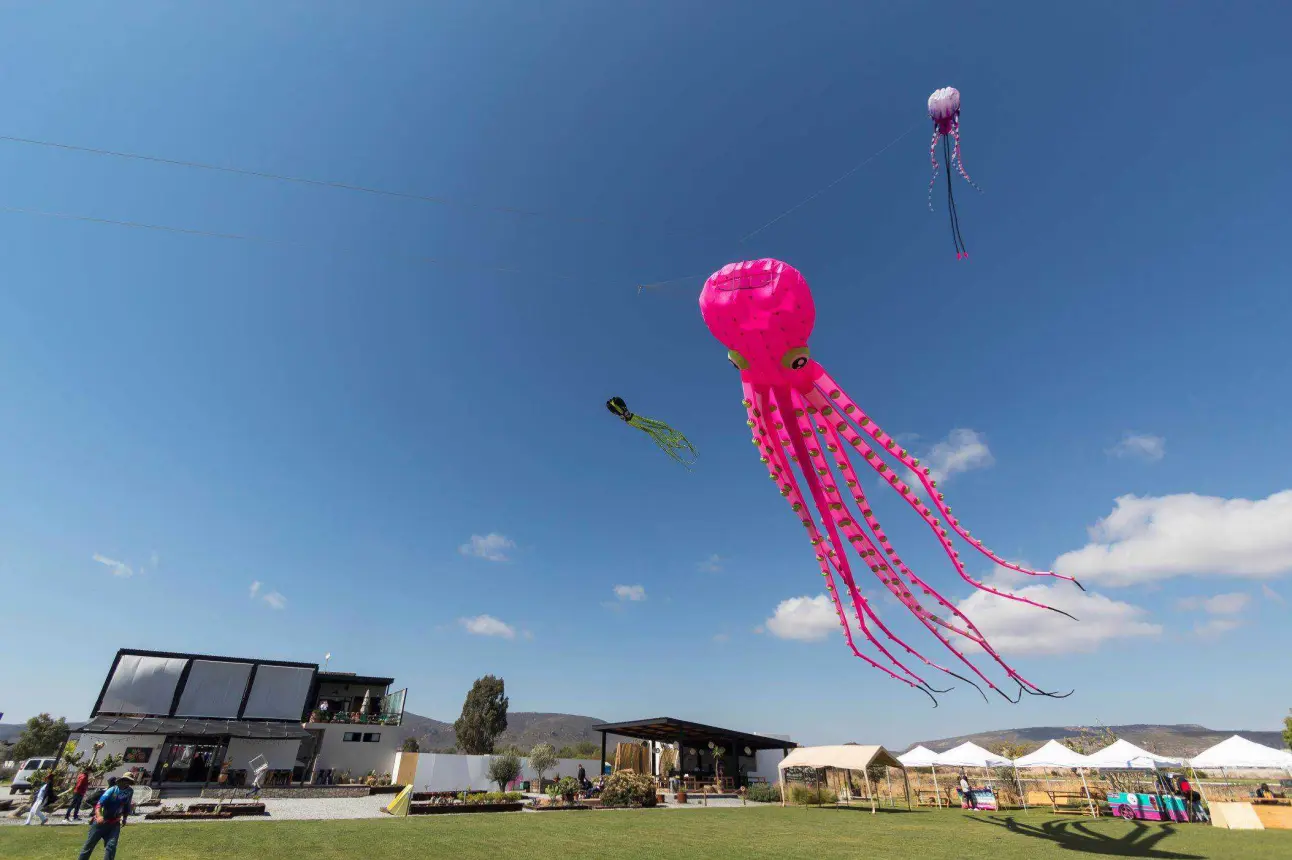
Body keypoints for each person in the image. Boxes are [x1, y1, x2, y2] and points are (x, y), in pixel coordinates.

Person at [78, 772, 134, 860]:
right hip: (101, 823)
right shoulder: (112, 790)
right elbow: (99, 804)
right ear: (121, 780)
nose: (127, 783)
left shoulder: (130, 791)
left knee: (111, 846)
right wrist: (99, 816)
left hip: (114, 823)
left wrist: (125, 819)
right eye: (125, 780)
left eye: (129, 781)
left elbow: (127, 805)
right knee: (89, 846)